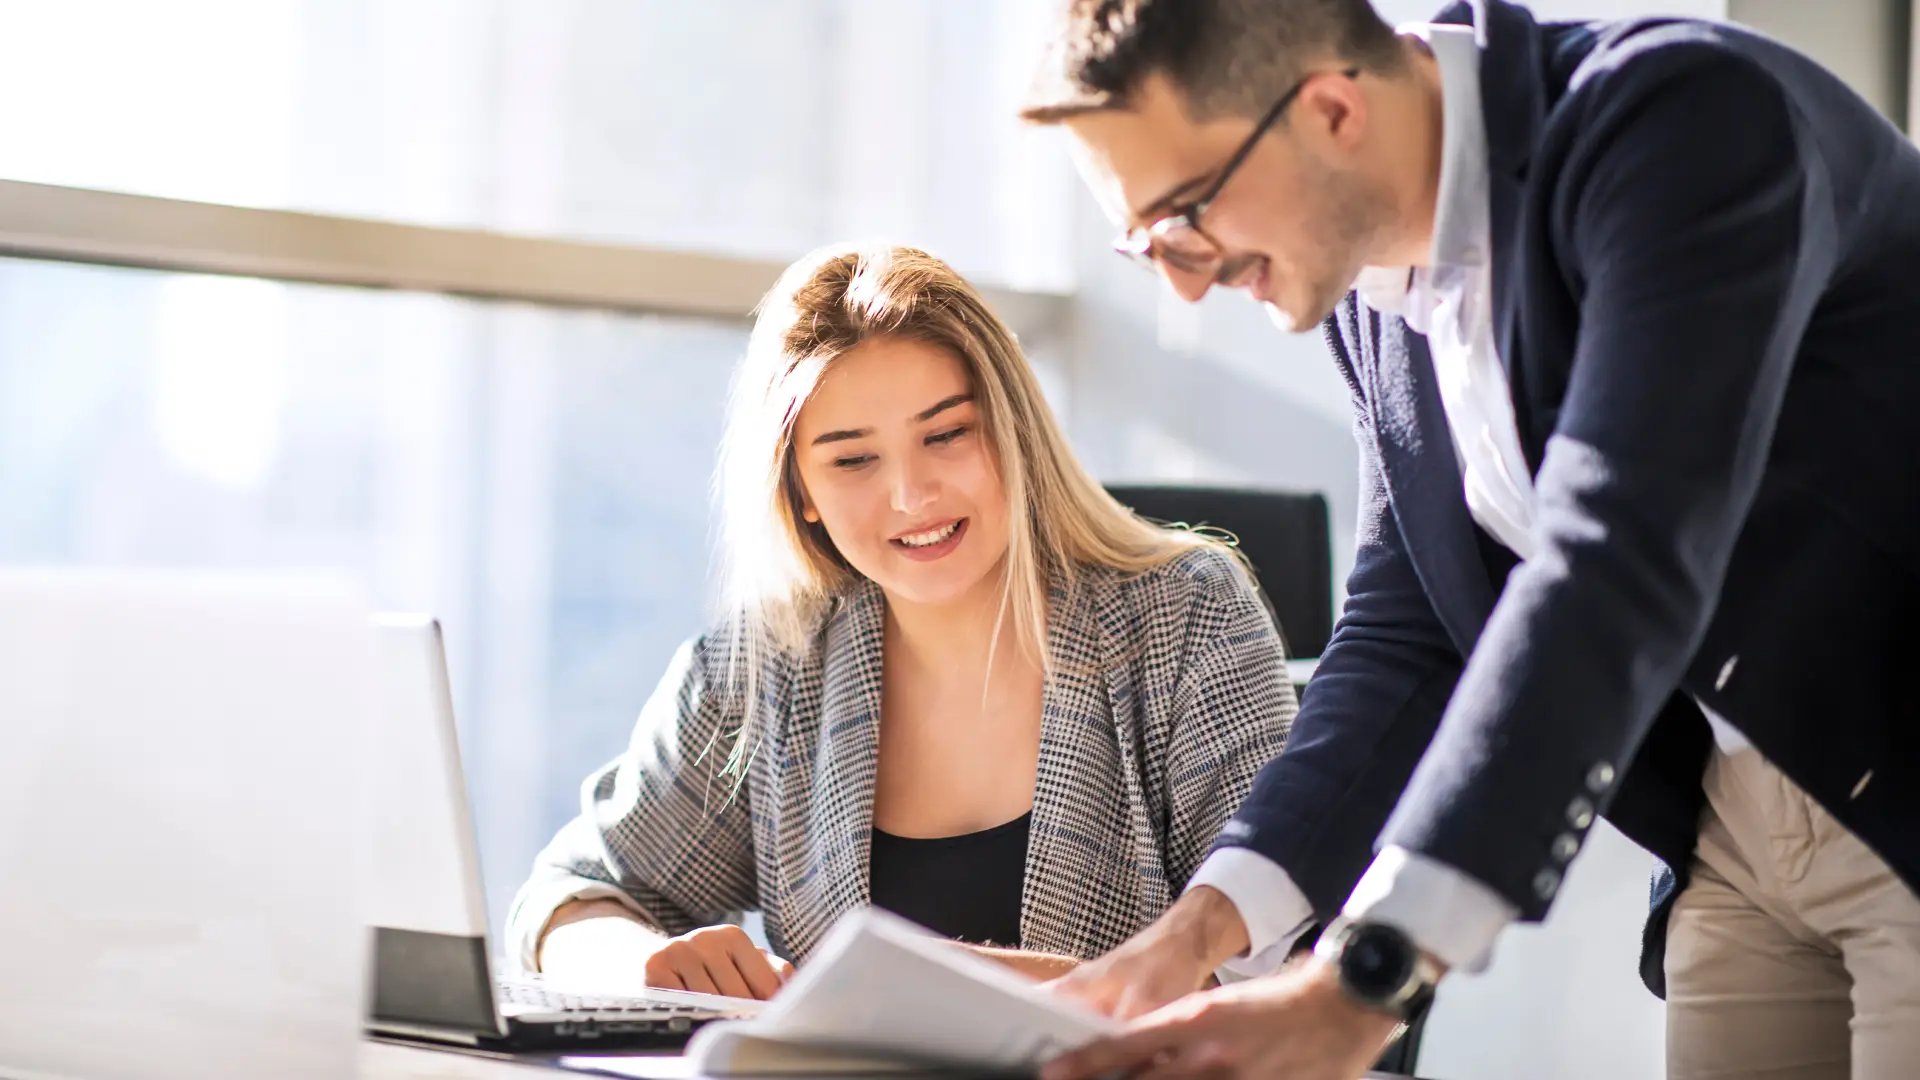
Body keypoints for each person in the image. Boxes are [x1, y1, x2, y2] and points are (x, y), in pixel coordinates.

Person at [1018, 1, 1920, 1078]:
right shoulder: (1370, 296)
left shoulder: (1681, 120)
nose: (1183, 277)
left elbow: (1617, 553)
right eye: (1144, 242)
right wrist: (1198, 929)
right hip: (1734, 838)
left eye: (1186, 214)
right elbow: (1410, 633)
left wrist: (1370, 979)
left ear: (1333, 109)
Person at [503, 243, 1298, 1000]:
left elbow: (1281, 954)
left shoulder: (1184, 614)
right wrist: (642, 964)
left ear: (1012, 428)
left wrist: (923, 989)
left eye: (947, 434)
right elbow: (568, 896)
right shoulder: (769, 664)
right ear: (800, 491)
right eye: (852, 459)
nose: (912, 496)